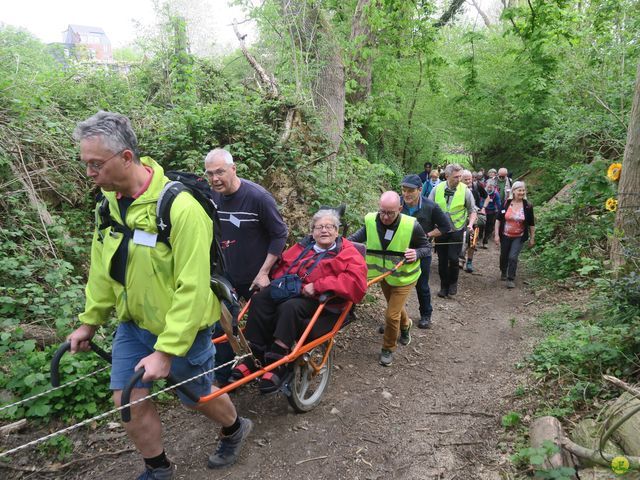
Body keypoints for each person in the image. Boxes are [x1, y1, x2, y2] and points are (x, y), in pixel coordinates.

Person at [67, 112, 252, 478]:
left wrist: (166, 349)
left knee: (195, 397)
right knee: (125, 398)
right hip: (133, 326)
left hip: (182, 332)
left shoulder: (179, 208)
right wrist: (90, 321)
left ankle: (234, 427)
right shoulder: (107, 207)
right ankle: (158, 468)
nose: (89, 172)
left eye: (95, 164)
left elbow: (194, 286)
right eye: (85, 163)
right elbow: (103, 269)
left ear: (125, 157)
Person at [230, 209, 367, 391]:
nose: (324, 231)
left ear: (337, 231)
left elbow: (355, 282)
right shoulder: (303, 247)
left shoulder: (348, 252)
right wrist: (272, 279)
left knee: (289, 308)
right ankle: (254, 354)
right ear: (312, 231)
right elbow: (283, 265)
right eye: (319, 227)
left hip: (321, 298)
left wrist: (319, 285)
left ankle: (277, 361)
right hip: (290, 289)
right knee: (260, 299)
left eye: (329, 227)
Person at [204, 148, 288, 386]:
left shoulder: (258, 197)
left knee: (261, 324)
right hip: (227, 274)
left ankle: (271, 369)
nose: (215, 178)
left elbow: (280, 234)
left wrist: (264, 272)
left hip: (257, 276)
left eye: (220, 172)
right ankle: (221, 381)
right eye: (210, 174)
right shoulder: (212, 196)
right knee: (222, 325)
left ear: (233, 169)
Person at [349, 191, 430, 367]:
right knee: (395, 308)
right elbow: (354, 240)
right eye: (382, 212)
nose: (385, 217)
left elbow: (426, 248)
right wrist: (338, 245)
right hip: (384, 276)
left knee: (391, 315)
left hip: (405, 278)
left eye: (390, 213)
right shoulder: (371, 221)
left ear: (400, 209)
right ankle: (406, 325)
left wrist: (416, 253)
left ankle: (388, 348)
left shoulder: (412, 225)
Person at [400, 175, 452, 329]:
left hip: (422, 251)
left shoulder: (431, 206)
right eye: (404, 190)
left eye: (410, 190)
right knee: (395, 285)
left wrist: (427, 235)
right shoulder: (397, 204)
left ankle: (426, 315)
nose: (406, 194)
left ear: (420, 190)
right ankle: (395, 317)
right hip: (399, 251)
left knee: (422, 285)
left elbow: (445, 226)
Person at [428, 164, 477, 297]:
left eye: (460, 176)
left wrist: (470, 224)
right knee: (442, 260)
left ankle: (453, 283)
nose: (459, 179)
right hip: (440, 230)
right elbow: (429, 209)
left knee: (453, 258)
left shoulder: (466, 190)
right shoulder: (436, 189)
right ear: (447, 176)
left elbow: (472, 210)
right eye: (456, 177)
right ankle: (444, 286)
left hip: (457, 229)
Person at [494, 181, 535, 289]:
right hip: (505, 235)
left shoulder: (528, 206)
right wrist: (497, 235)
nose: (521, 192)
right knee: (504, 256)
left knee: (512, 257)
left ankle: (510, 278)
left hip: (519, 236)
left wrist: (532, 238)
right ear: (514, 191)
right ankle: (503, 271)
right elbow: (498, 220)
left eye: (523, 190)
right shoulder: (506, 203)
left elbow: (531, 224)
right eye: (519, 190)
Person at [459, 170, 484, 273]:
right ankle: (460, 259)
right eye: (466, 179)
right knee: (461, 239)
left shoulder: (475, 190)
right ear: (460, 179)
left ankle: (469, 261)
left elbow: (477, 205)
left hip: (473, 219)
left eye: (470, 179)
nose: (469, 181)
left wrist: (481, 210)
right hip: (459, 219)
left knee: (472, 240)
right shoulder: (457, 190)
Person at [481, 180, 502, 248]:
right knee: (480, 225)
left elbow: (499, 204)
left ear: (493, 187)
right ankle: (479, 238)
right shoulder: (483, 192)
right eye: (488, 187)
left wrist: (501, 212)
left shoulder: (496, 194)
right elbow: (480, 201)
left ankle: (485, 241)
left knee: (489, 227)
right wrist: (481, 208)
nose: (489, 189)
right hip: (482, 211)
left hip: (491, 212)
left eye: (491, 187)